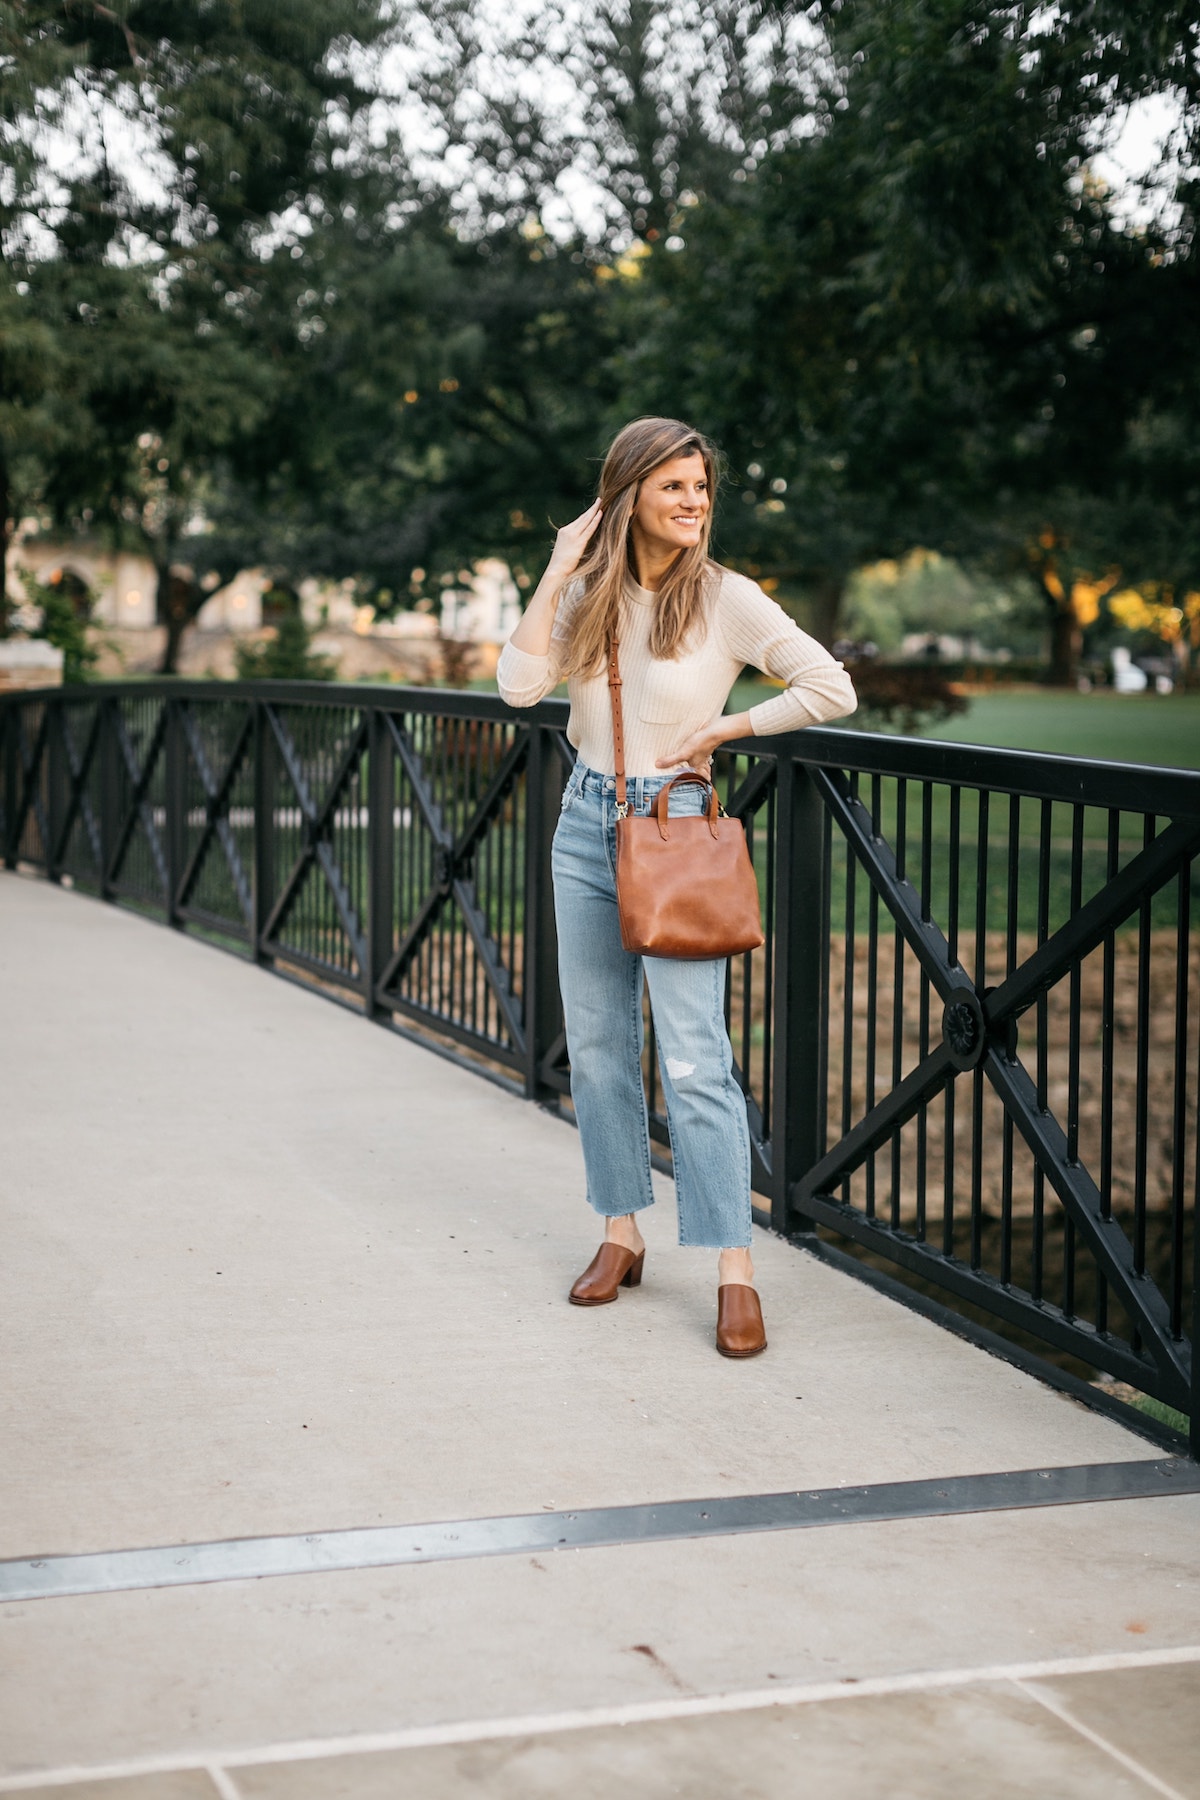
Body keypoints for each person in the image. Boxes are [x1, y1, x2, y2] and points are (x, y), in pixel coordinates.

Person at [497, 418, 857, 1356]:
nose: (695, 502)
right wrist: (558, 566)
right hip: (584, 825)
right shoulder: (586, 593)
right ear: (627, 499)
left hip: (675, 827)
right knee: (603, 1050)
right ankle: (621, 1229)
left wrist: (728, 731)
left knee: (695, 1057)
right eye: (674, 487)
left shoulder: (728, 599)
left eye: (702, 487)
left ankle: (734, 1267)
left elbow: (830, 687)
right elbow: (516, 687)